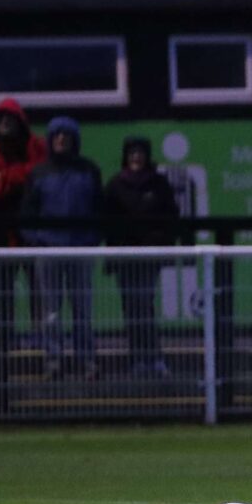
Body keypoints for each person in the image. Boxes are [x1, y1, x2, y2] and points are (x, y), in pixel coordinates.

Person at [0, 98, 47, 410]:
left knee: (39, 291)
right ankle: (2, 344)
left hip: (31, 232)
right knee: (1, 294)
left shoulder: (35, 147)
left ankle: (41, 343)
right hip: (0, 233)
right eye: (1, 118)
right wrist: (16, 178)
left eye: (11, 118)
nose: (5, 123)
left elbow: (38, 176)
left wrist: (7, 177)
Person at [21, 116, 103, 380]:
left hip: (81, 249)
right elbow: (27, 214)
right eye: (57, 135)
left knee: (83, 308)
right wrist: (38, 241)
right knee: (51, 311)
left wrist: (92, 239)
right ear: (50, 139)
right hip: (49, 250)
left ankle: (87, 360)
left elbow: (99, 210)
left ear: (74, 140)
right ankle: (53, 360)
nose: (61, 139)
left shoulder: (89, 170)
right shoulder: (39, 173)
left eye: (66, 135)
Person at [103, 136, 178, 378]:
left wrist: (159, 241)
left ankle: (154, 357)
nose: (136, 157)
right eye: (132, 152)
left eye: (140, 152)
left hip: (149, 256)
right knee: (130, 308)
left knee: (145, 305)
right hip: (125, 257)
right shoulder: (115, 185)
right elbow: (108, 221)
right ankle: (137, 359)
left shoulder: (158, 184)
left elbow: (171, 217)